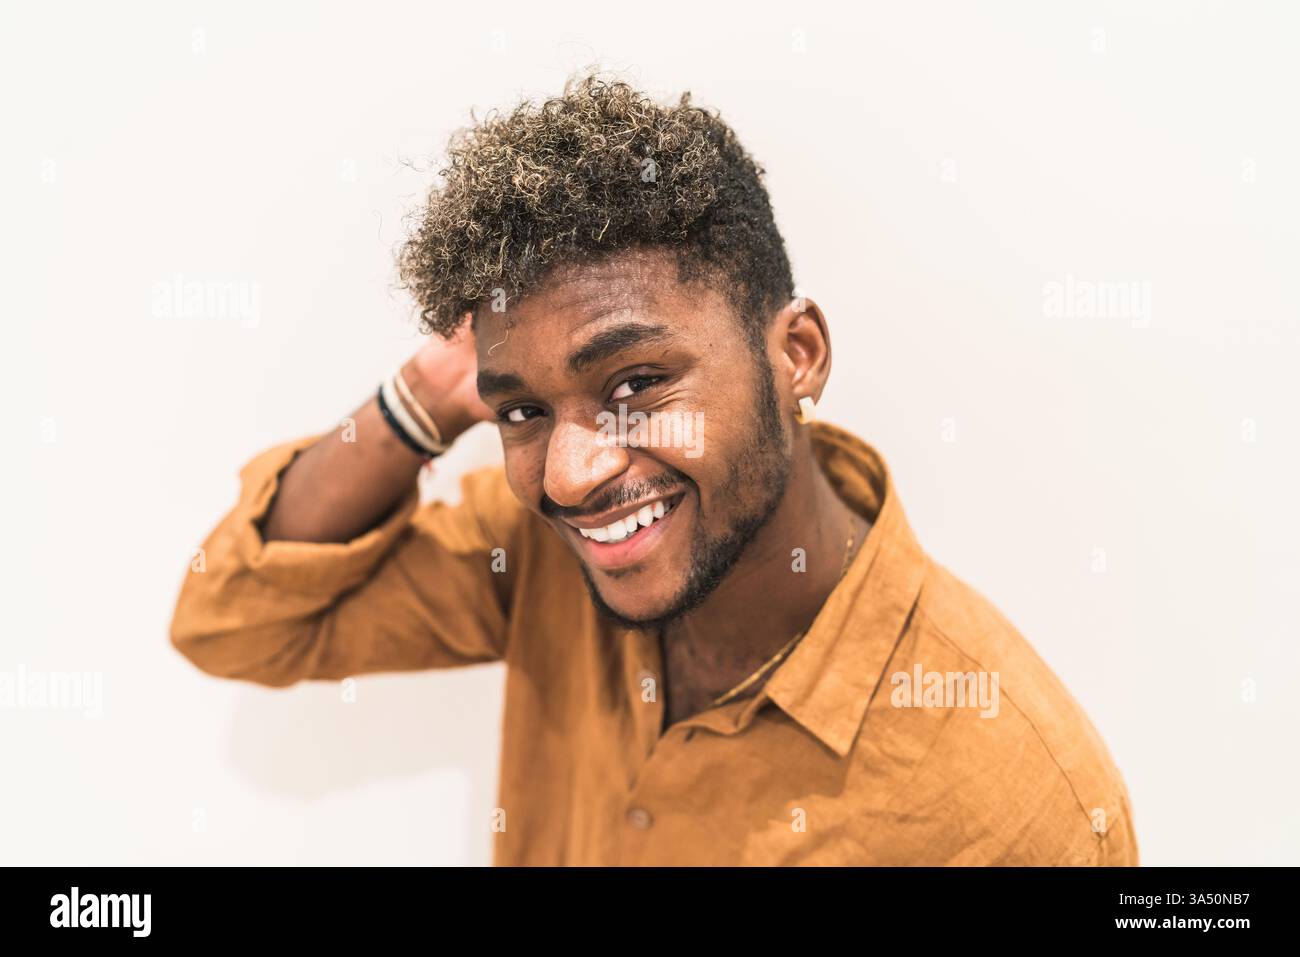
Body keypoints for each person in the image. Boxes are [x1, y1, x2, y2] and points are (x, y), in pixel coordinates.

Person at [169, 71, 1139, 866]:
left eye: (634, 382)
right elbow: (233, 623)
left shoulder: (1018, 801)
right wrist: (422, 401)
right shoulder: (541, 559)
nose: (569, 474)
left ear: (796, 355)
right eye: (523, 412)